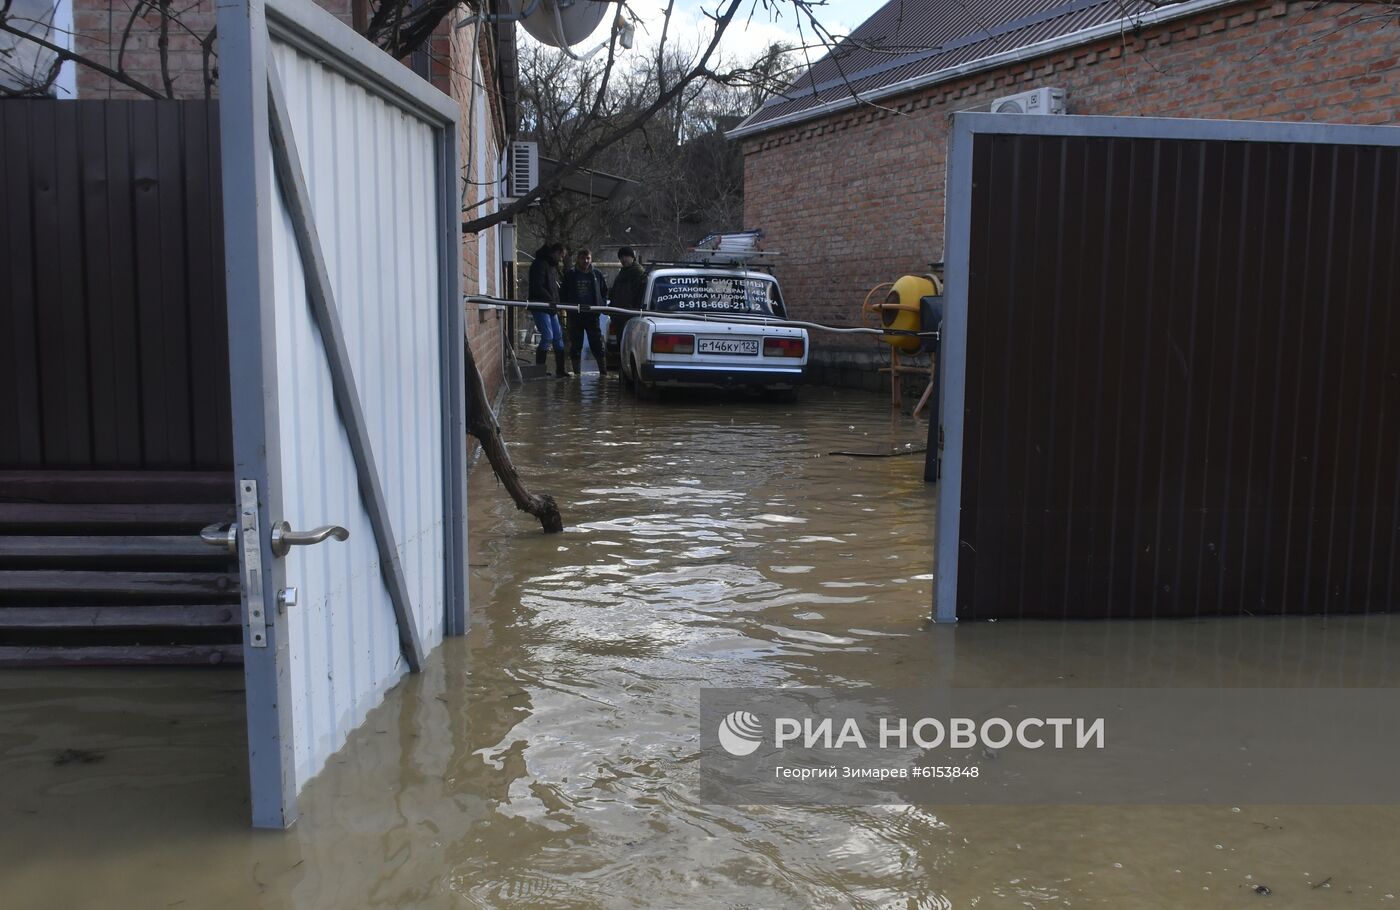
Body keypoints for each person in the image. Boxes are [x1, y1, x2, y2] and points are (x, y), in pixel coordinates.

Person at [561, 248, 609, 376]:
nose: (585, 261)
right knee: (576, 345)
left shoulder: (597, 274)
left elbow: (604, 291)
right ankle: (577, 373)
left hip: (592, 315)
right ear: (578, 259)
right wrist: (568, 308)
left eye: (588, 258)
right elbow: (563, 293)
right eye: (583, 258)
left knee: (597, 344)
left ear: (591, 258)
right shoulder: (570, 274)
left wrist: (601, 305)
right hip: (575, 316)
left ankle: (603, 373)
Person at [527, 242, 569, 378]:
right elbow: (537, 287)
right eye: (561, 256)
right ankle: (540, 371)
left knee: (557, 337)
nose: (561, 260)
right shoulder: (540, 264)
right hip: (541, 306)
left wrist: (555, 301)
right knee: (548, 337)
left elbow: (551, 288)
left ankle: (560, 370)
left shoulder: (549, 266)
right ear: (555, 252)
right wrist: (552, 300)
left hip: (550, 307)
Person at [609, 246, 647, 354]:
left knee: (628, 349)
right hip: (620, 315)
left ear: (632, 257)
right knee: (622, 348)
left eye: (626, 256)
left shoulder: (637, 273)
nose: (623, 259)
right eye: (621, 257)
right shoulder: (623, 272)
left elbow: (637, 296)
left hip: (630, 316)